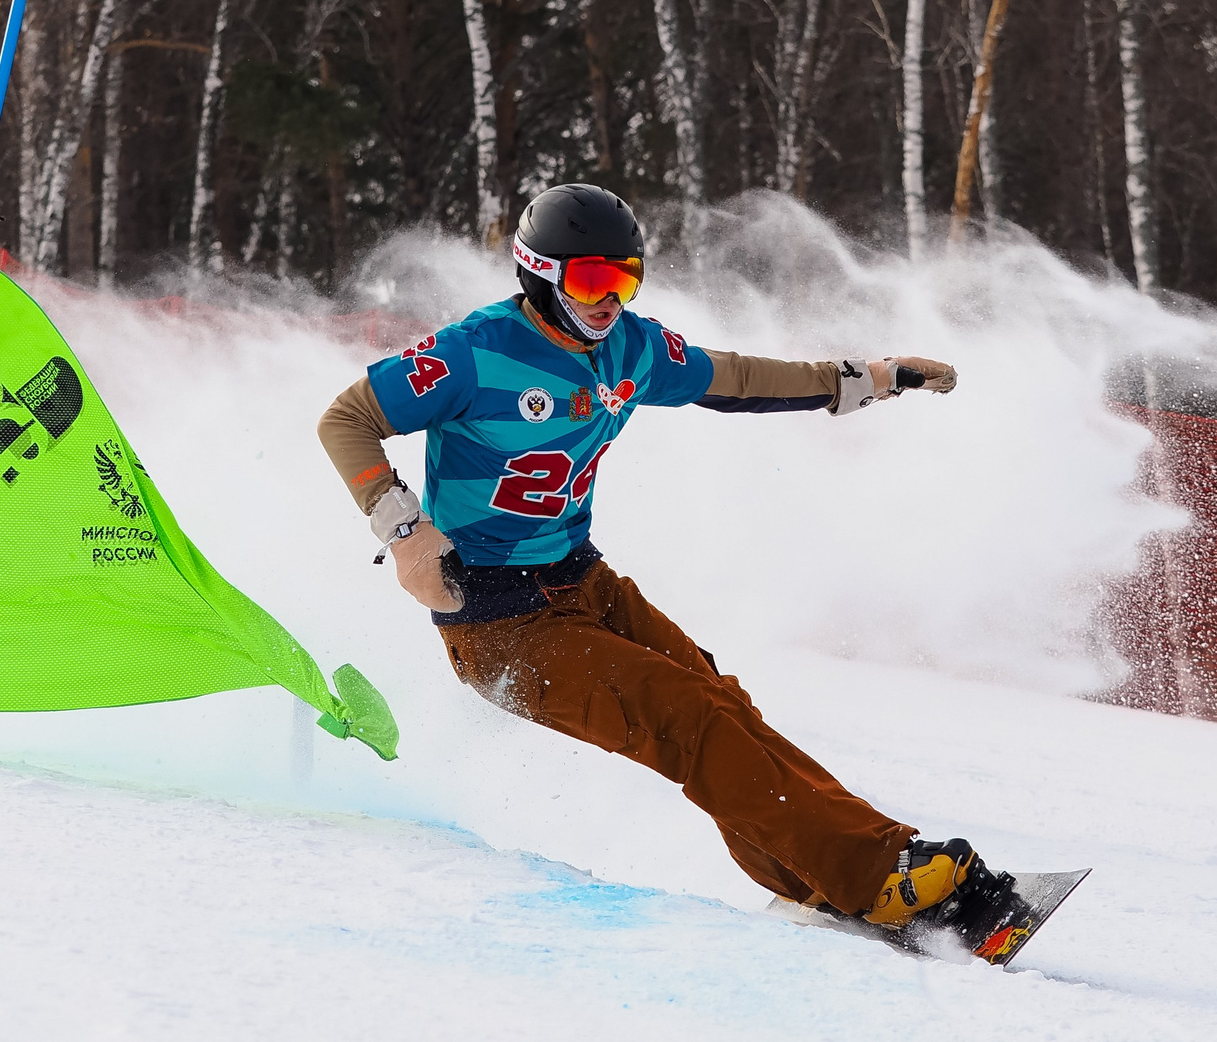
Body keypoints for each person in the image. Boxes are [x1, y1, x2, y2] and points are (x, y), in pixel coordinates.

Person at [316, 183, 1033, 962]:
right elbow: (345, 419)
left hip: (581, 584)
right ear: (539, 274)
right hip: (498, 623)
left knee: (720, 699)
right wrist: (406, 531)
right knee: (689, 717)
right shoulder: (472, 352)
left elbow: (736, 378)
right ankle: (872, 877)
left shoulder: (630, 348)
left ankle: (815, 872)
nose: (609, 301)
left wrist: (864, 377)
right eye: (591, 282)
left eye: (624, 279)